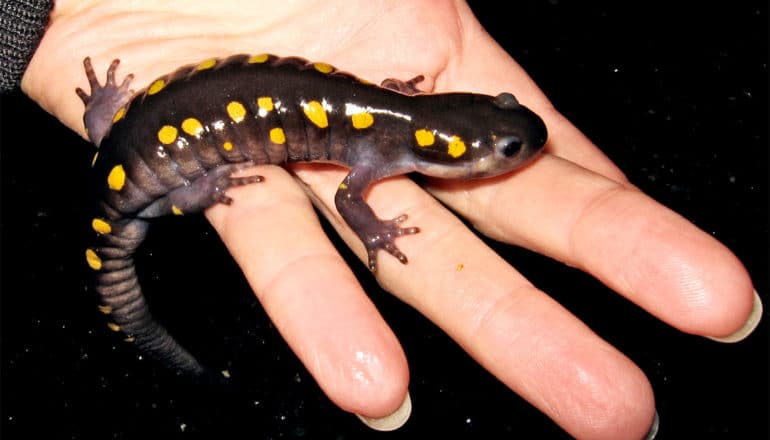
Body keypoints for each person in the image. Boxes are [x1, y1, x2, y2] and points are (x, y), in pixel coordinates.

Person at [4, 1, 761, 438]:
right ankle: (168, 209)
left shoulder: (391, 123)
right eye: (500, 142)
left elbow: (357, 155)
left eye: (500, 138)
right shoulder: (382, 148)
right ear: (445, 146)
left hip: (139, 133)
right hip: (141, 180)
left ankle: (130, 140)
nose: (509, 148)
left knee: (134, 140)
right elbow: (347, 198)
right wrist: (371, 232)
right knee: (162, 192)